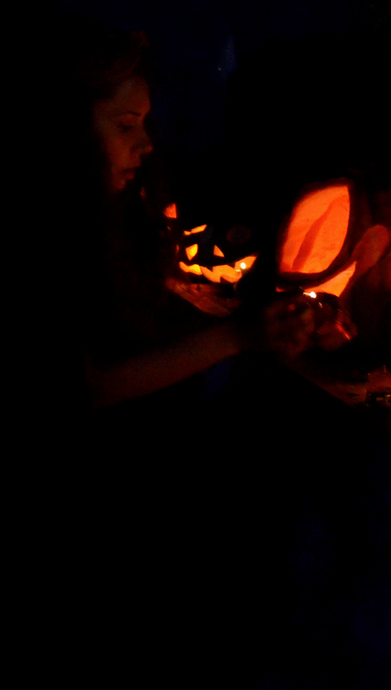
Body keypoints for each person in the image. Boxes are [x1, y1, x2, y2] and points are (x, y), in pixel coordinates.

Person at [51, 20, 315, 408]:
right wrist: (237, 336)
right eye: (125, 126)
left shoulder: (113, 218)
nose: (146, 144)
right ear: (70, 128)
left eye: (145, 124)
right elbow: (94, 384)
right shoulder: (50, 235)